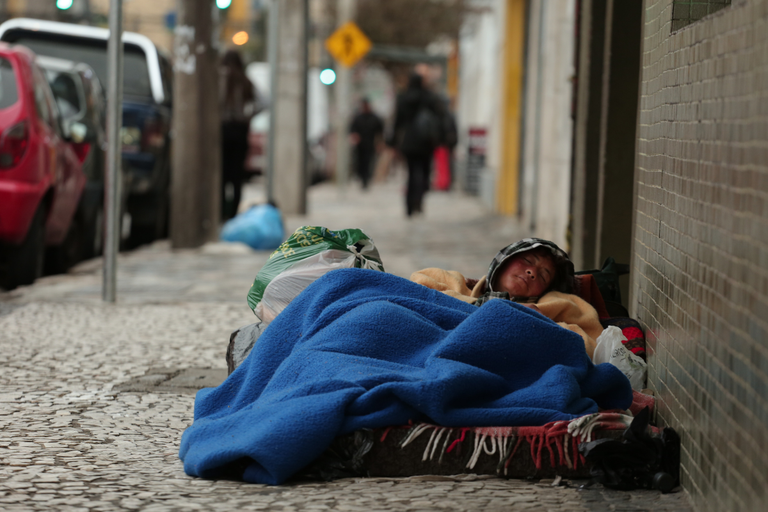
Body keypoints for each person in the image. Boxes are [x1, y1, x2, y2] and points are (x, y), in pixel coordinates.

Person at [410, 238, 603, 359]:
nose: (532, 272)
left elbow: (590, 347)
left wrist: (538, 321)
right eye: (528, 261)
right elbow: (415, 291)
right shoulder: (456, 286)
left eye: (543, 276)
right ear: (503, 262)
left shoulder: (552, 308)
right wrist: (489, 306)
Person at [389, 72, 444, 216]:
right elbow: (439, 119)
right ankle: (419, 201)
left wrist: (393, 141)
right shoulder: (430, 97)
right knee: (425, 173)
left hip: (409, 142)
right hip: (426, 142)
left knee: (411, 173)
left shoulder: (403, 98)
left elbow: (397, 122)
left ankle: (409, 205)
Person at [219, 50, 262, 220]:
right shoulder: (245, 81)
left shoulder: (220, 80)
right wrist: (248, 115)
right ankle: (233, 214)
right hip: (240, 131)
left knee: (222, 175)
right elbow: (263, 102)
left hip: (223, 131)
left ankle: (221, 212)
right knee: (236, 177)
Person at [349, 98, 384, 190]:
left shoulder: (374, 118)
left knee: (369, 162)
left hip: (370, 144)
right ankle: (362, 178)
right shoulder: (358, 118)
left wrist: (379, 143)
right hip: (360, 146)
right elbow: (352, 129)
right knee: (361, 163)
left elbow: (380, 131)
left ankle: (367, 179)